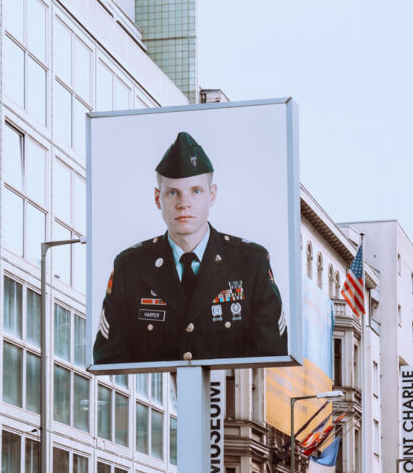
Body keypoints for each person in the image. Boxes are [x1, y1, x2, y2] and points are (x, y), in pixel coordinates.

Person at [92, 131, 288, 366]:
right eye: (173, 192)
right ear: (157, 198)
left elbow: (271, 358)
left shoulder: (250, 263)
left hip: (229, 400)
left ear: (212, 195)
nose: (183, 203)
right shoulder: (130, 267)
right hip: (159, 403)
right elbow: (109, 361)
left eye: (196, 191)